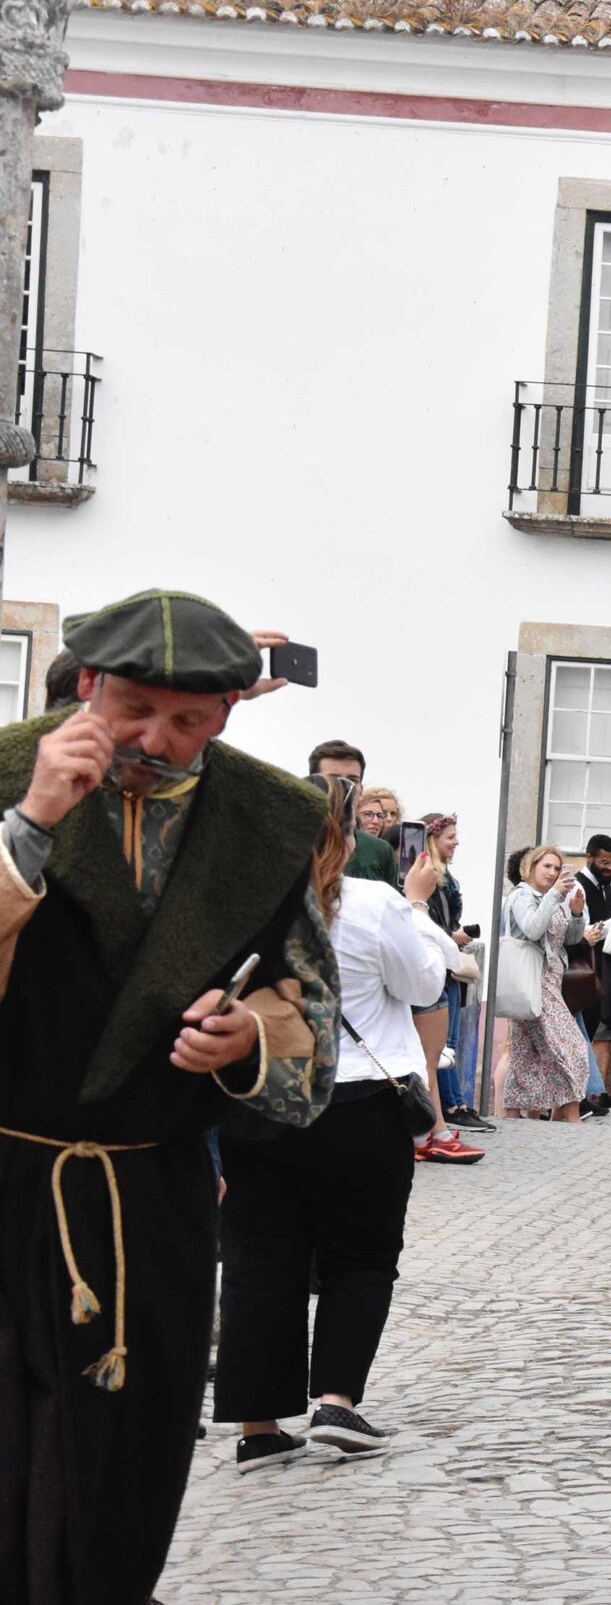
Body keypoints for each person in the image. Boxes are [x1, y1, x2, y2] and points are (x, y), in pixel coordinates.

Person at [0, 588, 339, 1599]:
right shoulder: (6, 771)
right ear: (88, 686)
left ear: (229, 711)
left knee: (131, 1457)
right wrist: (32, 822)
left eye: (188, 721)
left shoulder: (271, 817)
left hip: (155, 1200)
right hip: (5, 1173)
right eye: (134, 710)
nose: (155, 740)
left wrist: (248, 1038)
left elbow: (307, 1014)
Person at [216, 776, 456, 1468]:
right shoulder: (375, 901)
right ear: (347, 838)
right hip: (358, 1101)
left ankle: (259, 1428)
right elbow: (425, 986)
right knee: (362, 1255)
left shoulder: (242, 899)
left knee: (261, 1259)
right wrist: (417, 905)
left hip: (261, 1097)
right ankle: (336, 1402)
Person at [409, 813, 490, 1153]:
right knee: (435, 1053)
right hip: (434, 967)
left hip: (446, 969)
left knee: (446, 1048)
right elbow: (426, 922)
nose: (456, 842)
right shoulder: (425, 878)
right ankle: (443, 1117)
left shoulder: (444, 877)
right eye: (450, 837)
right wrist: (450, 936)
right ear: (432, 840)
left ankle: (448, 1113)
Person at [502, 845, 592, 1122]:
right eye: (547, 866)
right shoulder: (522, 895)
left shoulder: (550, 898)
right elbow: (532, 929)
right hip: (533, 981)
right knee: (573, 1047)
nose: (553, 873)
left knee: (527, 1052)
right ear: (530, 867)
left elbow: (569, 939)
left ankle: (518, 1116)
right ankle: (569, 1113)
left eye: (557, 868)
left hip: (551, 981)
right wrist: (554, 896)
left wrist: (576, 913)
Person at [310, 740, 397, 886]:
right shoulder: (297, 844)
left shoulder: (380, 851)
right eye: (333, 779)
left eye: (352, 781)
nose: (344, 788)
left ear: (361, 790)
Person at [573, 833, 611, 1114]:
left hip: (599, 970)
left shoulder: (607, 888)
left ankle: (583, 1096)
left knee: (588, 1033)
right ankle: (575, 1098)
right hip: (581, 971)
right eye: (604, 862)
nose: (609, 868)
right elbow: (583, 930)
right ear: (589, 858)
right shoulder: (578, 886)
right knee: (581, 1035)